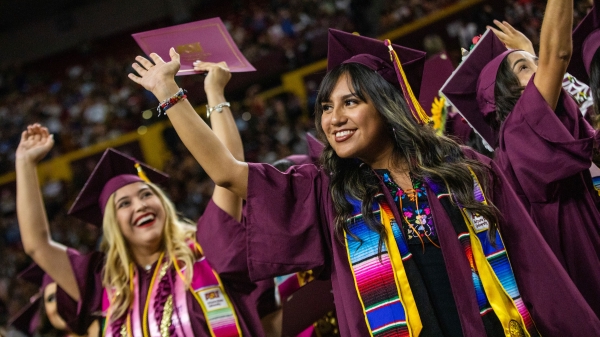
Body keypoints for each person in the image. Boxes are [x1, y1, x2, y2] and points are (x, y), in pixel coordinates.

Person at [127, 28, 600, 336]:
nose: (334, 119)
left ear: (385, 107)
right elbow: (228, 173)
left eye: (350, 102)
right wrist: (171, 94)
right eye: (326, 108)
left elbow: (533, 266)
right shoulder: (327, 192)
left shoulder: (465, 168)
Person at [15, 61, 266, 336]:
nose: (141, 204)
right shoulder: (108, 285)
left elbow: (230, 170)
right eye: (124, 204)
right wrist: (25, 164)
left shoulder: (205, 248)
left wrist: (215, 93)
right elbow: (37, 245)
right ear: (113, 223)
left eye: (147, 194)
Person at [442, 0, 600, 319]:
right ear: (499, 95)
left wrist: (527, 54)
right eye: (526, 68)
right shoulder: (518, 134)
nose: (542, 69)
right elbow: (558, 55)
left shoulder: (528, 130)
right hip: (576, 263)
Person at [8, 264, 100, 337]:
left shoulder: (108, 327)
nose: (59, 304)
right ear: (44, 309)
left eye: (65, 294)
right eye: (51, 298)